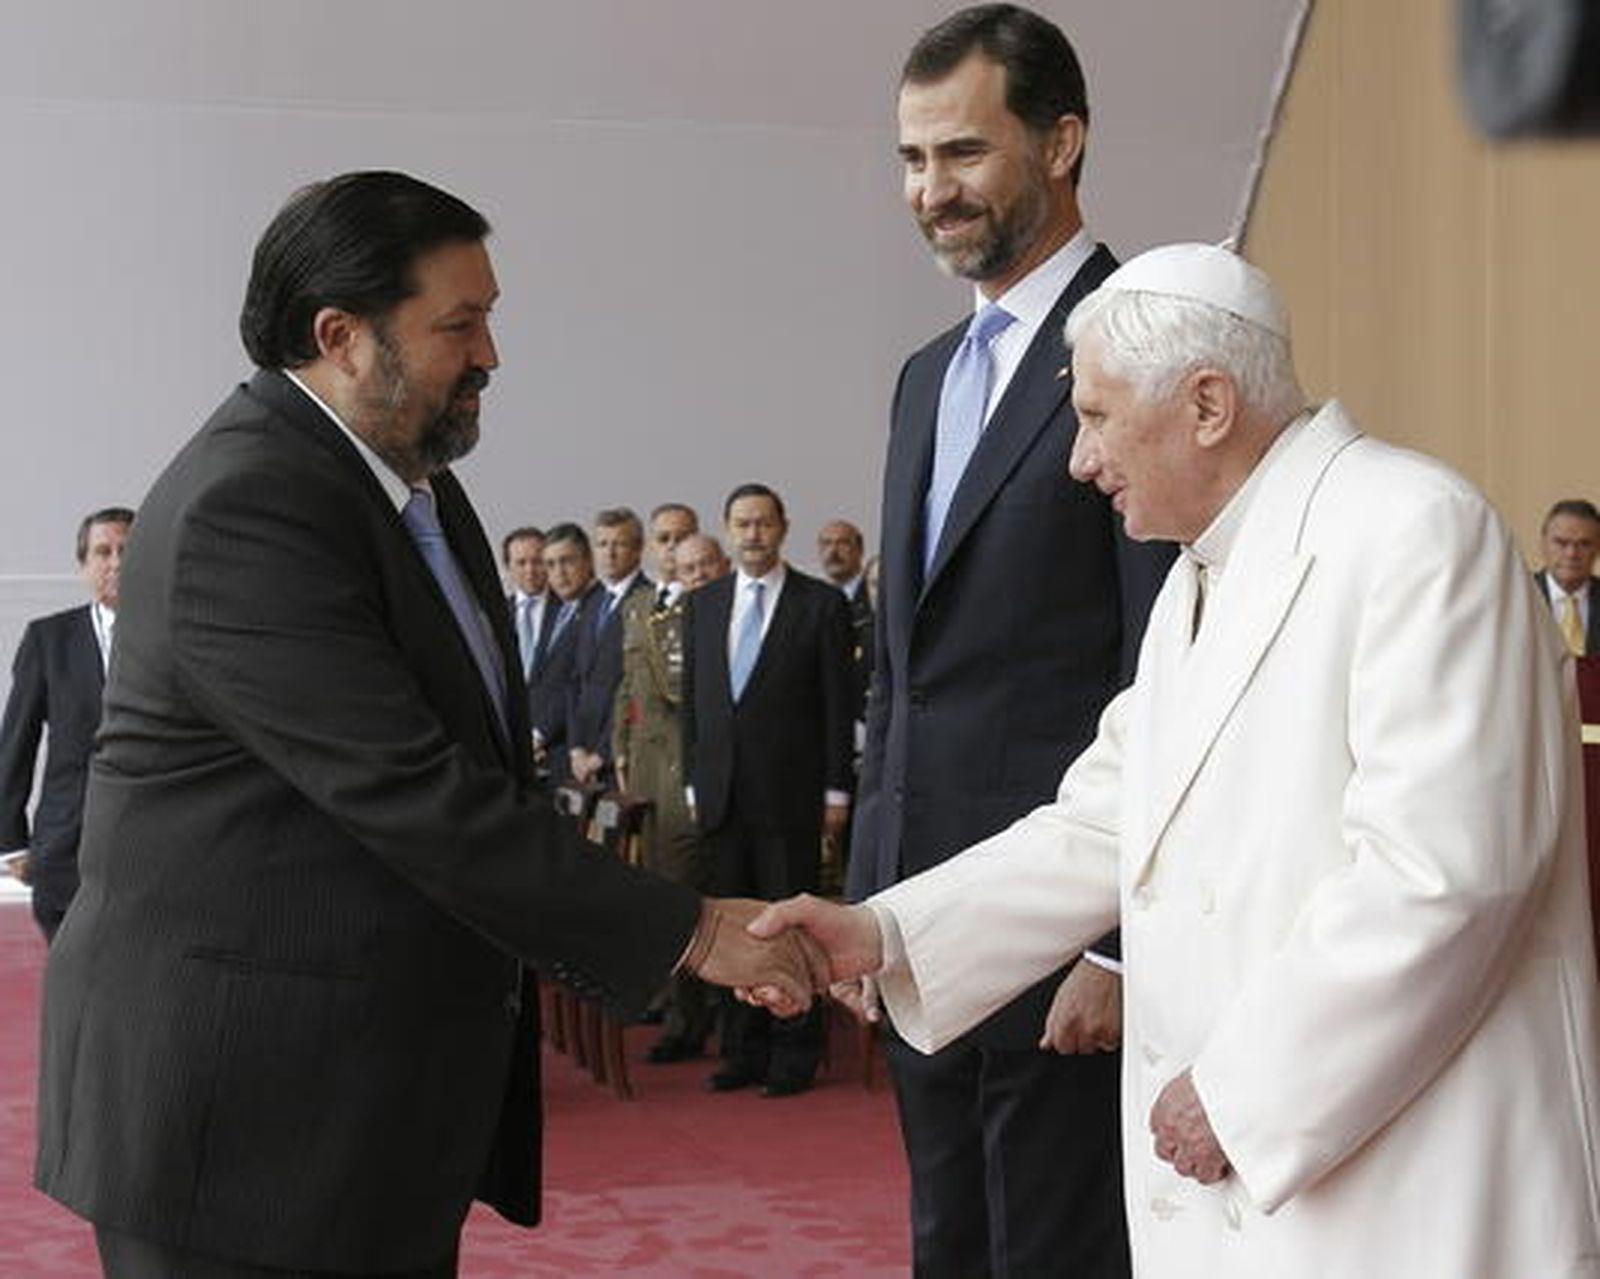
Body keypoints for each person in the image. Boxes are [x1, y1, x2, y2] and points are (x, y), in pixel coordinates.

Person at [754, 242, 1600, 1278]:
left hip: (1405, 1174)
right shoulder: (1201, 576)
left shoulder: (1415, 530)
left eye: (1097, 416)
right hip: (1253, 1175)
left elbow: (1445, 875)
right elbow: (1101, 818)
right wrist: (881, 931)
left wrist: (1249, 1090)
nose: (1077, 459)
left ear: (1206, 404)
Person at [34, 171, 821, 1279]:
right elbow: (410, 789)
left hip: (357, 1107)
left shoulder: (412, 489)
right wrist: (688, 930)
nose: (491, 352)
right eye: (461, 323)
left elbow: (479, 759)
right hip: (240, 1126)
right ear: (342, 335)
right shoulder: (248, 502)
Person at [850, 6, 1173, 1274]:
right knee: (950, 1243)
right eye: (913, 160)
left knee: (1055, 1248)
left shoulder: (1143, 338)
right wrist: (876, 909)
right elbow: (908, 669)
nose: (933, 191)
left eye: (965, 153)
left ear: (1063, 141)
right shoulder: (926, 374)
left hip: (1060, 929)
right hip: (922, 928)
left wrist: (1113, 944)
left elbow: (1166, 669)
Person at [683, 483, 856, 1097]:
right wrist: (690, 781)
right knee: (731, 929)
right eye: (741, 524)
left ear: (782, 528)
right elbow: (695, 710)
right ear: (728, 531)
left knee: (789, 929)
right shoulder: (702, 605)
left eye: (762, 523)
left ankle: (795, 1053)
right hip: (721, 797)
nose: (752, 534)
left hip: (792, 796)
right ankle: (741, 1051)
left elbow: (840, 707)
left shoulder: (820, 604)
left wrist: (838, 790)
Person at [0, 506, 133, 941]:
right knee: (70, 987)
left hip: (151, 846)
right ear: (84, 565)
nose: (115, 562)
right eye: (103, 551)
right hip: (63, 850)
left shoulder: (174, 639)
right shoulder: (48, 639)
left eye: (127, 551)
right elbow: (15, 743)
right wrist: (11, 841)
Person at [612, 502, 710, 1062]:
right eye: (664, 539)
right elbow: (627, 688)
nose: (672, 549)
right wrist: (619, 750)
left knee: (680, 889)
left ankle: (688, 1019)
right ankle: (668, 994)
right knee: (650, 882)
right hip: (644, 766)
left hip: (681, 766)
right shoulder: (641, 606)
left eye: (682, 538)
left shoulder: (704, 609)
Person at [568, 508, 652, 787]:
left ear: (639, 548)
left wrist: (601, 754)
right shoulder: (591, 601)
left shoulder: (649, 602)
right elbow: (576, 679)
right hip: (580, 758)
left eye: (620, 544)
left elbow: (638, 689)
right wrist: (576, 747)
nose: (610, 553)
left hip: (620, 758)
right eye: (602, 544)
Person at [529, 521, 604, 784]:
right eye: (550, 565)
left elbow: (573, 685)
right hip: (540, 756)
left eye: (567, 561)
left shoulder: (601, 608)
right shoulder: (557, 611)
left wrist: (539, 735)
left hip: (573, 754)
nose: (559, 573)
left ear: (587, 560)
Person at [1535, 498, 1600, 655]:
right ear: (1543, 544)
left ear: (1598, 548)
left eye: (1584, 544)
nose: (1571, 554)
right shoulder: (1518, 596)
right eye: (1561, 543)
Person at [501, 526, 552, 682]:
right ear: (508, 567)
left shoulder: (569, 610)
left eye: (537, 562)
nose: (530, 570)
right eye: (521, 563)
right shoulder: (497, 613)